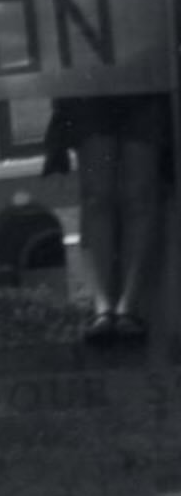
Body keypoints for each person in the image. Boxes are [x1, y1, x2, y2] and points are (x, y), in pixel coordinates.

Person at [42, 95, 168, 343]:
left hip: (146, 80)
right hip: (91, 85)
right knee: (96, 194)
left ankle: (128, 308)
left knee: (140, 193)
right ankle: (102, 307)